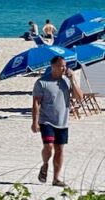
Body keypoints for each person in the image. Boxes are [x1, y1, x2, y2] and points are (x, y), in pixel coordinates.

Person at [32, 56, 83, 186]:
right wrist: (35, 121)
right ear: (53, 67)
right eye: (61, 66)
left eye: (65, 66)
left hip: (62, 121)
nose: (64, 68)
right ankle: (45, 164)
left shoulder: (66, 81)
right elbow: (36, 102)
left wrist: (73, 79)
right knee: (49, 146)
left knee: (59, 149)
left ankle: (56, 178)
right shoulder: (42, 82)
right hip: (46, 121)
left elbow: (79, 97)